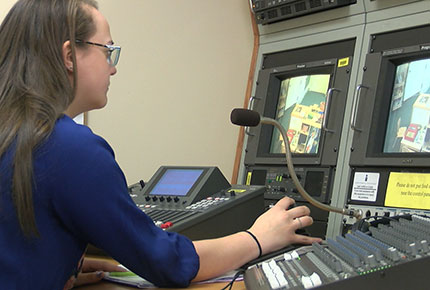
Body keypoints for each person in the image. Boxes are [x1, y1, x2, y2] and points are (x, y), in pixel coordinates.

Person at [0, 0, 322, 289]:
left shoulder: (14, 135)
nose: (113, 66)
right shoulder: (70, 149)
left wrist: (58, 264)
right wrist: (258, 237)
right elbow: (166, 263)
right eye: (108, 50)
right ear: (70, 55)